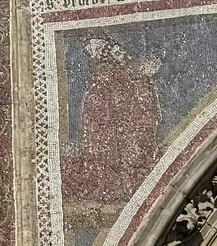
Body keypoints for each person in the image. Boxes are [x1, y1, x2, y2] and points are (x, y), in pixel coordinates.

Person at [63, 32, 161, 211]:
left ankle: (127, 177)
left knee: (132, 151)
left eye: (121, 51)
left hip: (123, 126)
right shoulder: (105, 74)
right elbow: (97, 106)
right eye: (116, 52)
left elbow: (141, 106)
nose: (121, 55)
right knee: (107, 158)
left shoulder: (127, 75)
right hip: (107, 128)